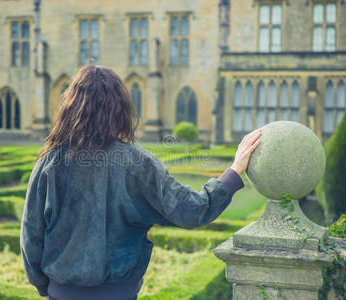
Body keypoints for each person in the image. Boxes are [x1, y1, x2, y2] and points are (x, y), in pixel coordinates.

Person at [20, 64, 261, 300]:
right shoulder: (137, 163)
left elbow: (31, 236)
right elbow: (190, 210)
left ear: (71, 107)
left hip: (62, 293)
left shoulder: (49, 164)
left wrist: (44, 287)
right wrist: (234, 171)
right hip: (120, 293)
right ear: (120, 109)